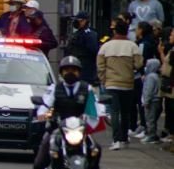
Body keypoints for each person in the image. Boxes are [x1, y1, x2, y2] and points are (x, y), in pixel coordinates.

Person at [17, 56, 102, 169]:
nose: (70, 73)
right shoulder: (53, 88)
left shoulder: (87, 89)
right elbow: (44, 104)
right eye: (67, 70)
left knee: (96, 148)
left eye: (74, 70)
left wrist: (102, 115)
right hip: (58, 129)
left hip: (79, 128)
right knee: (39, 162)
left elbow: (95, 107)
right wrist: (42, 114)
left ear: (79, 72)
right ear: (62, 72)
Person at [98, 19, 143, 150]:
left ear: (115, 31)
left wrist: (103, 79)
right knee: (125, 112)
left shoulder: (106, 46)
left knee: (114, 112)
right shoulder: (132, 46)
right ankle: (124, 138)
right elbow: (139, 64)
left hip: (111, 83)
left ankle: (116, 139)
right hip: (128, 83)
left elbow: (100, 66)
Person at [66, 11, 99, 84]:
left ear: (85, 21)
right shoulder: (77, 34)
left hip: (86, 71)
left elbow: (94, 50)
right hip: (76, 68)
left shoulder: (89, 34)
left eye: (79, 20)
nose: (76, 22)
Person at [141, 58, 162, 144]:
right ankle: (153, 135)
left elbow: (148, 90)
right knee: (153, 119)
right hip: (157, 100)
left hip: (152, 101)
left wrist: (146, 101)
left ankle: (151, 135)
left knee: (150, 119)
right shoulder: (156, 76)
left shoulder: (150, 77)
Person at [159, 27, 174, 142]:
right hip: (168, 83)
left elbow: (167, 64)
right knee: (168, 107)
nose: (170, 36)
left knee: (171, 108)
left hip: (172, 84)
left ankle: (171, 132)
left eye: (172, 35)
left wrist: (160, 53)